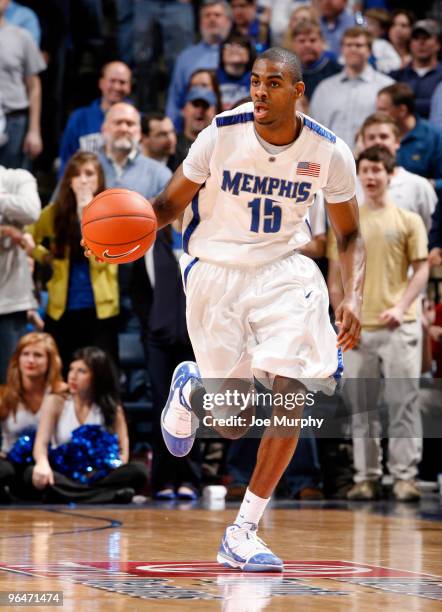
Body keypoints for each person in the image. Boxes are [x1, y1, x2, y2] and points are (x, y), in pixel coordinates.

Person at [135, 47, 365, 571]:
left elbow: (349, 234)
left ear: (297, 91)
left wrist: (351, 293)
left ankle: (242, 530)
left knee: (293, 391)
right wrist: (126, 233)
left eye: (273, 83)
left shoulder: (329, 152)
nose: (260, 92)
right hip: (214, 273)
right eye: (256, 82)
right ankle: (192, 385)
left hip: (285, 272)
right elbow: (170, 204)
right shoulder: (221, 132)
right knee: (234, 422)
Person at [327, 146, 429, 501]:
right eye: (365, 171)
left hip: (398, 325)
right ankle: (366, 476)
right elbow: (335, 274)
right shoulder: (346, 221)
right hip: (358, 327)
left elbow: (422, 269)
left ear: (390, 175)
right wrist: (340, 310)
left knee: (404, 402)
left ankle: (405, 477)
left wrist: (401, 307)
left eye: (376, 171)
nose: (370, 177)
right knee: (362, 407)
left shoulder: (408, 219)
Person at [27, 152, 120, 370]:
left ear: (99, 180)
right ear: (69, 180)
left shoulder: (113, 213)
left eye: (89, 174)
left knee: (102, 376)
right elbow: (28, 235)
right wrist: (44, 256)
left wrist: (86, 212)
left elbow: (106, 258)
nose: (83, 180)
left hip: (101, 308)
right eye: (76, 174)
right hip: (61, 309)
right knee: (60, 376)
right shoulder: (55, 213)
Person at [26, 346, 148, 503]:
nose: (73, 377)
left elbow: (123, 450)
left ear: (97, 376)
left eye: (82, 371)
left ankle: (74, 495)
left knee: (139, 471)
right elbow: (41, 444)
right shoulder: (56, 401)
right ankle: (109, 496)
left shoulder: (112, 407)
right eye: (71, 369)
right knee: (31, 473)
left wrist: (109, 468)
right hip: (64, 472)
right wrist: (42, 465)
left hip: (100, 475)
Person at [0, 332, 64, 501]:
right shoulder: (5, 394)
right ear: (17, 359)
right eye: (25, 354)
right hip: (11, 462)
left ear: (50, 361)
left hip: (48, 462)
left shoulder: (61, 393)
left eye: (38, 355)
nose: (30, 360)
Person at [310, 26, 394, 149]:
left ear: (369, 51)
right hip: (332, 161)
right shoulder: (324, 89)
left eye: (359, 45)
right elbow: (312, 130)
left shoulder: (387, 86)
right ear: (342, 50)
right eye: (348, 45)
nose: (353, 49)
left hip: (373, 161)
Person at [358, 112, 437, 230]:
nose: (378, 142)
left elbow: (433, 234)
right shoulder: (349, 186)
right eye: (371, 137)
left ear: (397, 142)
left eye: (384, 136)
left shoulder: (419, 186)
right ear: (363, 143)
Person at [0, 163, 41, 382]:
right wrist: (7, 229)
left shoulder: (17, 177)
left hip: (10, 301)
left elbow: (31, 211)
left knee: (10, 386)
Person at [166, 0, 232, 128]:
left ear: (229, 21)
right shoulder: (186, 57)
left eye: (217, 15)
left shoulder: (241, 53)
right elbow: (175, 99)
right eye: (207, 15)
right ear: (200, 22)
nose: (212, 19)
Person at [59, 61, 132, 175]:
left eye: (122, 82)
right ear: (101, 83)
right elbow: (66, 159)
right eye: (112, 81)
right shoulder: (80, 117)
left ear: (129, 86)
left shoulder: (137, 122)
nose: (117, 87)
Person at [0, 0, 46, 169]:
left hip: (14, 120)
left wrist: (34, 130)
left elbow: (34, 86)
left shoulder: (22, 37)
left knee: (11, 184)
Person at [376, 82, 442, 194]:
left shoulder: (434, 136)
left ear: (402, 110)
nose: (377, 115)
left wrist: (427, 185)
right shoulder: (375, 135)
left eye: (383, 110)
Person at [133, 0, 194, 111]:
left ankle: (176, 111)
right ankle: (144, 111)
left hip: (177, 4)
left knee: (179, 62)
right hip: (144, 4)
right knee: (142, 60)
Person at [390, 19, 442, 120]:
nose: (421, 43)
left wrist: (405, 105)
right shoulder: (397, 75)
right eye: (416, 38)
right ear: (410, 44)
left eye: (426, 38)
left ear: (438, 44)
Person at [287, 19, 342, 101]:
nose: (307, 45)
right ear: (293, 45)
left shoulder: (336, 69)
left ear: (322, 42)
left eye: (312, 40)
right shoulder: (288, 73)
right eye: (302, 41)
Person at [175, 88, 217, 164]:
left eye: (205, 106)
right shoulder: (172, 145)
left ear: (215, 112)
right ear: (183, 110)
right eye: (196, 105)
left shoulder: (221, 146)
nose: (200, 110)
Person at [216, 33, 256, 111]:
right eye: (229, 45)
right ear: (221, 53)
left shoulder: (257, 80)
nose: (234, 49)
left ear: (250, 53)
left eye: (241, 45)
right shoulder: (210, 78)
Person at [364, 8, 401, 74]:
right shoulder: (360, 42)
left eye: (371, 24)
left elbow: (396, 64)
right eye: (366, 22)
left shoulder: (383, 44)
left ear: (382, 29)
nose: (366, 27)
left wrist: (377, 64)